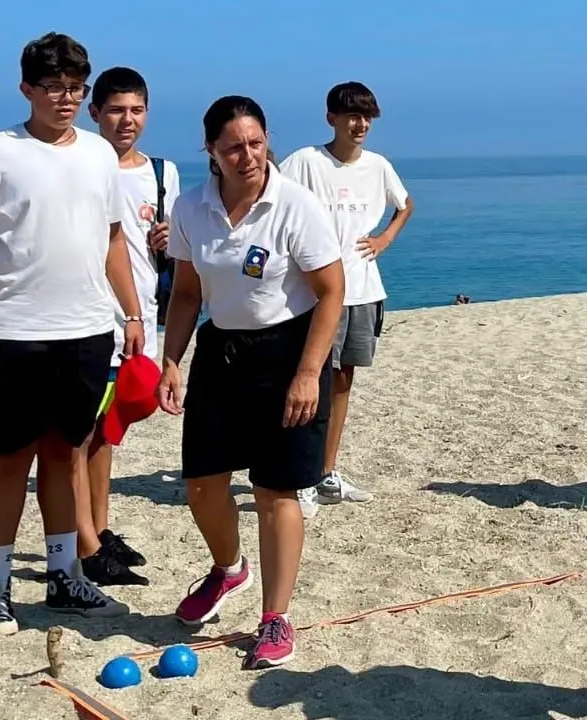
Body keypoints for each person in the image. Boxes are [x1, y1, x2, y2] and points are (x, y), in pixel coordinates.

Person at [0, 32, 140, 634]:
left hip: (86, 330)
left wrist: (131, 313)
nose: (65, 99)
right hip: (13, 333)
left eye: (75, 88)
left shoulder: (98, 155)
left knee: (66, 452)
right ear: (27, 88)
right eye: (54, 87)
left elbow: (113, 239)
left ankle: (64, 576)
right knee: (9, 457)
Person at [157, 96, 344, 669]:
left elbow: (331, 291)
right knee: (202, 484)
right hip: (222, 349)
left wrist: (309, 374)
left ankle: (275, 617)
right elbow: (187, 292)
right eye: (234, 146)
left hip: (289, 350)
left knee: (275, 491)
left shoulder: (295, 205)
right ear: (211, 151)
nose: (248, 157)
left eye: (257, 144)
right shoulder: (191, 208)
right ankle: (228, 569)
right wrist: (172, 360)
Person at [278, 82, 415, 514]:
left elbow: (405, 204)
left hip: (364, 289)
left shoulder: (377, 166)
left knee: (341, 383)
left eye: (366, 117)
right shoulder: (305, 162)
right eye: (351, 115)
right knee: (306, 382)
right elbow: (273, 201)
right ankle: (298, 475)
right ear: (330, 118)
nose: (359, 124)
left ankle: (326, 472)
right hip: (315, 294)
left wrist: (384, 240)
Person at [76, 66, 182, 586]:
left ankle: (100, 526)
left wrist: (170, 242)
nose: (126, 120)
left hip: (141, 315)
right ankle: (87, 542)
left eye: (136, 109)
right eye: (116, 109)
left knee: (108, 432)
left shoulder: (162, 173)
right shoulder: (83, 165)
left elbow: (171, 252)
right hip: (93, 316)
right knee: (85, 429)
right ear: (94, 112)